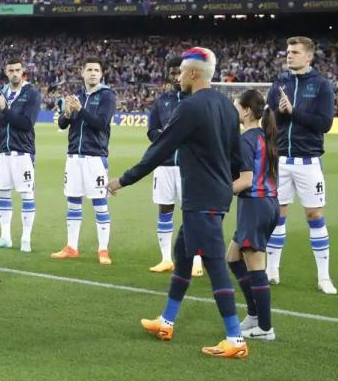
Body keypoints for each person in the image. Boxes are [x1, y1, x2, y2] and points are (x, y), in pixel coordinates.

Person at [108, 47, 249, 360]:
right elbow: (237, 156)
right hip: (215, 194)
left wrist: (123, 180)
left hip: (201, 198)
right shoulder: (227, 107)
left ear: (195, 74)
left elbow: (159, 150)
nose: (179, 77)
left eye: (183, 71)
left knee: (214, 264)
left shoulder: (190, 107)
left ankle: (235, 338)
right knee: (182, 255)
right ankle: (167, 321)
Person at [265, 36, 337, 294]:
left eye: (294, 52)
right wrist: (278, 114)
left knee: (314, 215)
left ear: (309, 57)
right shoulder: (279, 84)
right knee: (277, 215)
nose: (289, 55)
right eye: (287, 51)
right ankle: (272, 271)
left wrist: (293, 112)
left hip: (308, 162)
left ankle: (323, 277)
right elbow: (268, 122)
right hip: (281, 160)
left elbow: (325, 123)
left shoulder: (321, 86)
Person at [52, 57, 117, 265]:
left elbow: (100, 124)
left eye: (96, 70)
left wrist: (80, 110)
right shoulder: (76, 96)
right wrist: (68, 113)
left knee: (100, 203)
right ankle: (71, 246)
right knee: (73, 201)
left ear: (101, 74)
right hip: (73, 157)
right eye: (89, 69)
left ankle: (103, 250)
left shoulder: (107, 96)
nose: (92, 73)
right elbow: (62, 125)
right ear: (82, 73)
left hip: (95, 157)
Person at [228, 89, 280, 341]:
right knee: (233, 256)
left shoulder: (246, 139)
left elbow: (246, 181)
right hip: (267, 203)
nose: (234, 111)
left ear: (247, 110)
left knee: (256, 266)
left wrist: (220, 192)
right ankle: (253, 314)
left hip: (255, 205)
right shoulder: (263, 135)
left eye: (236, 107)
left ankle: (265, 328)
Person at [146, 57, 203, 276]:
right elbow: (151, 130)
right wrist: (161, 138)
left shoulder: (197, 100)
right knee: (165, 210)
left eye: (179, 72)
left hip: (190, 166)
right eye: (172, 73)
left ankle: (196, 261)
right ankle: (166, 258)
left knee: (192, 213)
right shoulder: (162, 101)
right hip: (165, 165)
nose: (176, 77)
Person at [0, 58, 41, 252]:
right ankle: (5, 236)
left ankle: (26, 239)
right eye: (11, 70)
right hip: (2, 152)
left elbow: (26, 124)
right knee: (3, 193)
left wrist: (5, 109)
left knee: (26, 194)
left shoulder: (31, 93)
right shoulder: (1, 93)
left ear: (23, 71)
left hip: (22, 152)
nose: (14, 73)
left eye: (17, 70)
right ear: (6, 72)